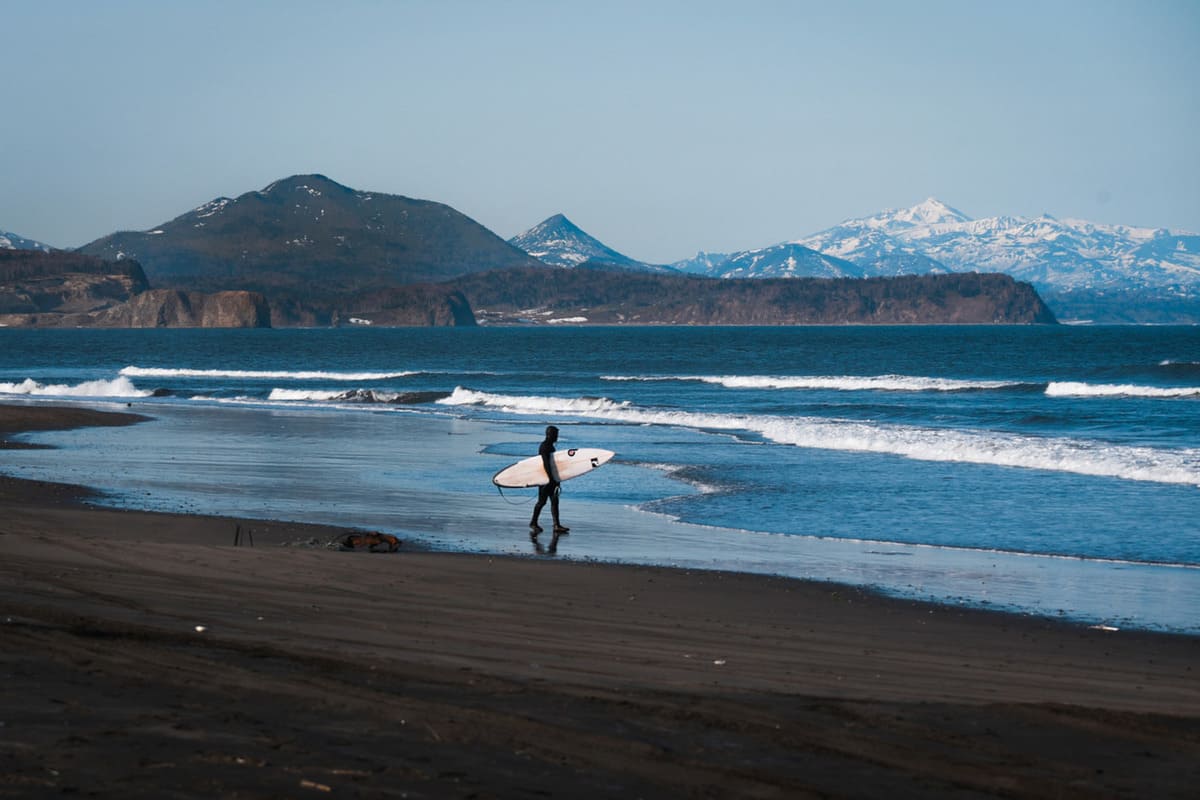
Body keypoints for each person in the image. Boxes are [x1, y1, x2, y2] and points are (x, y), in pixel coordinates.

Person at [530, 425, 569, 535]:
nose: (557, 437)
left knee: (555, 501)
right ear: (550, 435)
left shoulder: (550, 446)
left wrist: (556, 479)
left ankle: (557, 525)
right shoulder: (545, 446)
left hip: (552, 479)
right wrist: (550, 479)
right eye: (555, 434)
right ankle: (533, 522)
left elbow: (553, 464)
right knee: (542, 502)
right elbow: (546, 464)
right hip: (545, 479)